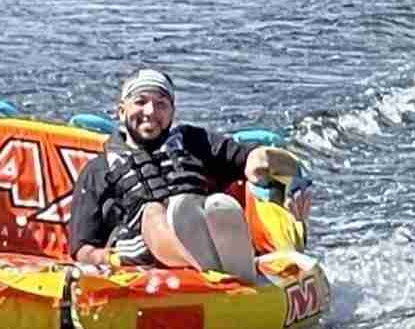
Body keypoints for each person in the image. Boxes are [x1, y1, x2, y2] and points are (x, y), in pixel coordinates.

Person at [68, 67, 311, 283]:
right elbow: (82, 248)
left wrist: (263, 162)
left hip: (198, 220)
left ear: (172, 112)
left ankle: (224, 262)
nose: (150, 111)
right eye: (140, 102)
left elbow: (251, 157)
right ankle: (208, 265)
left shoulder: (195, 141)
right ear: (121, 111)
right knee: (153, 210)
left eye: (161, 104)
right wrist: (113, 258)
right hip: (140, 248)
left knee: (216, 204)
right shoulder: (97, 170)